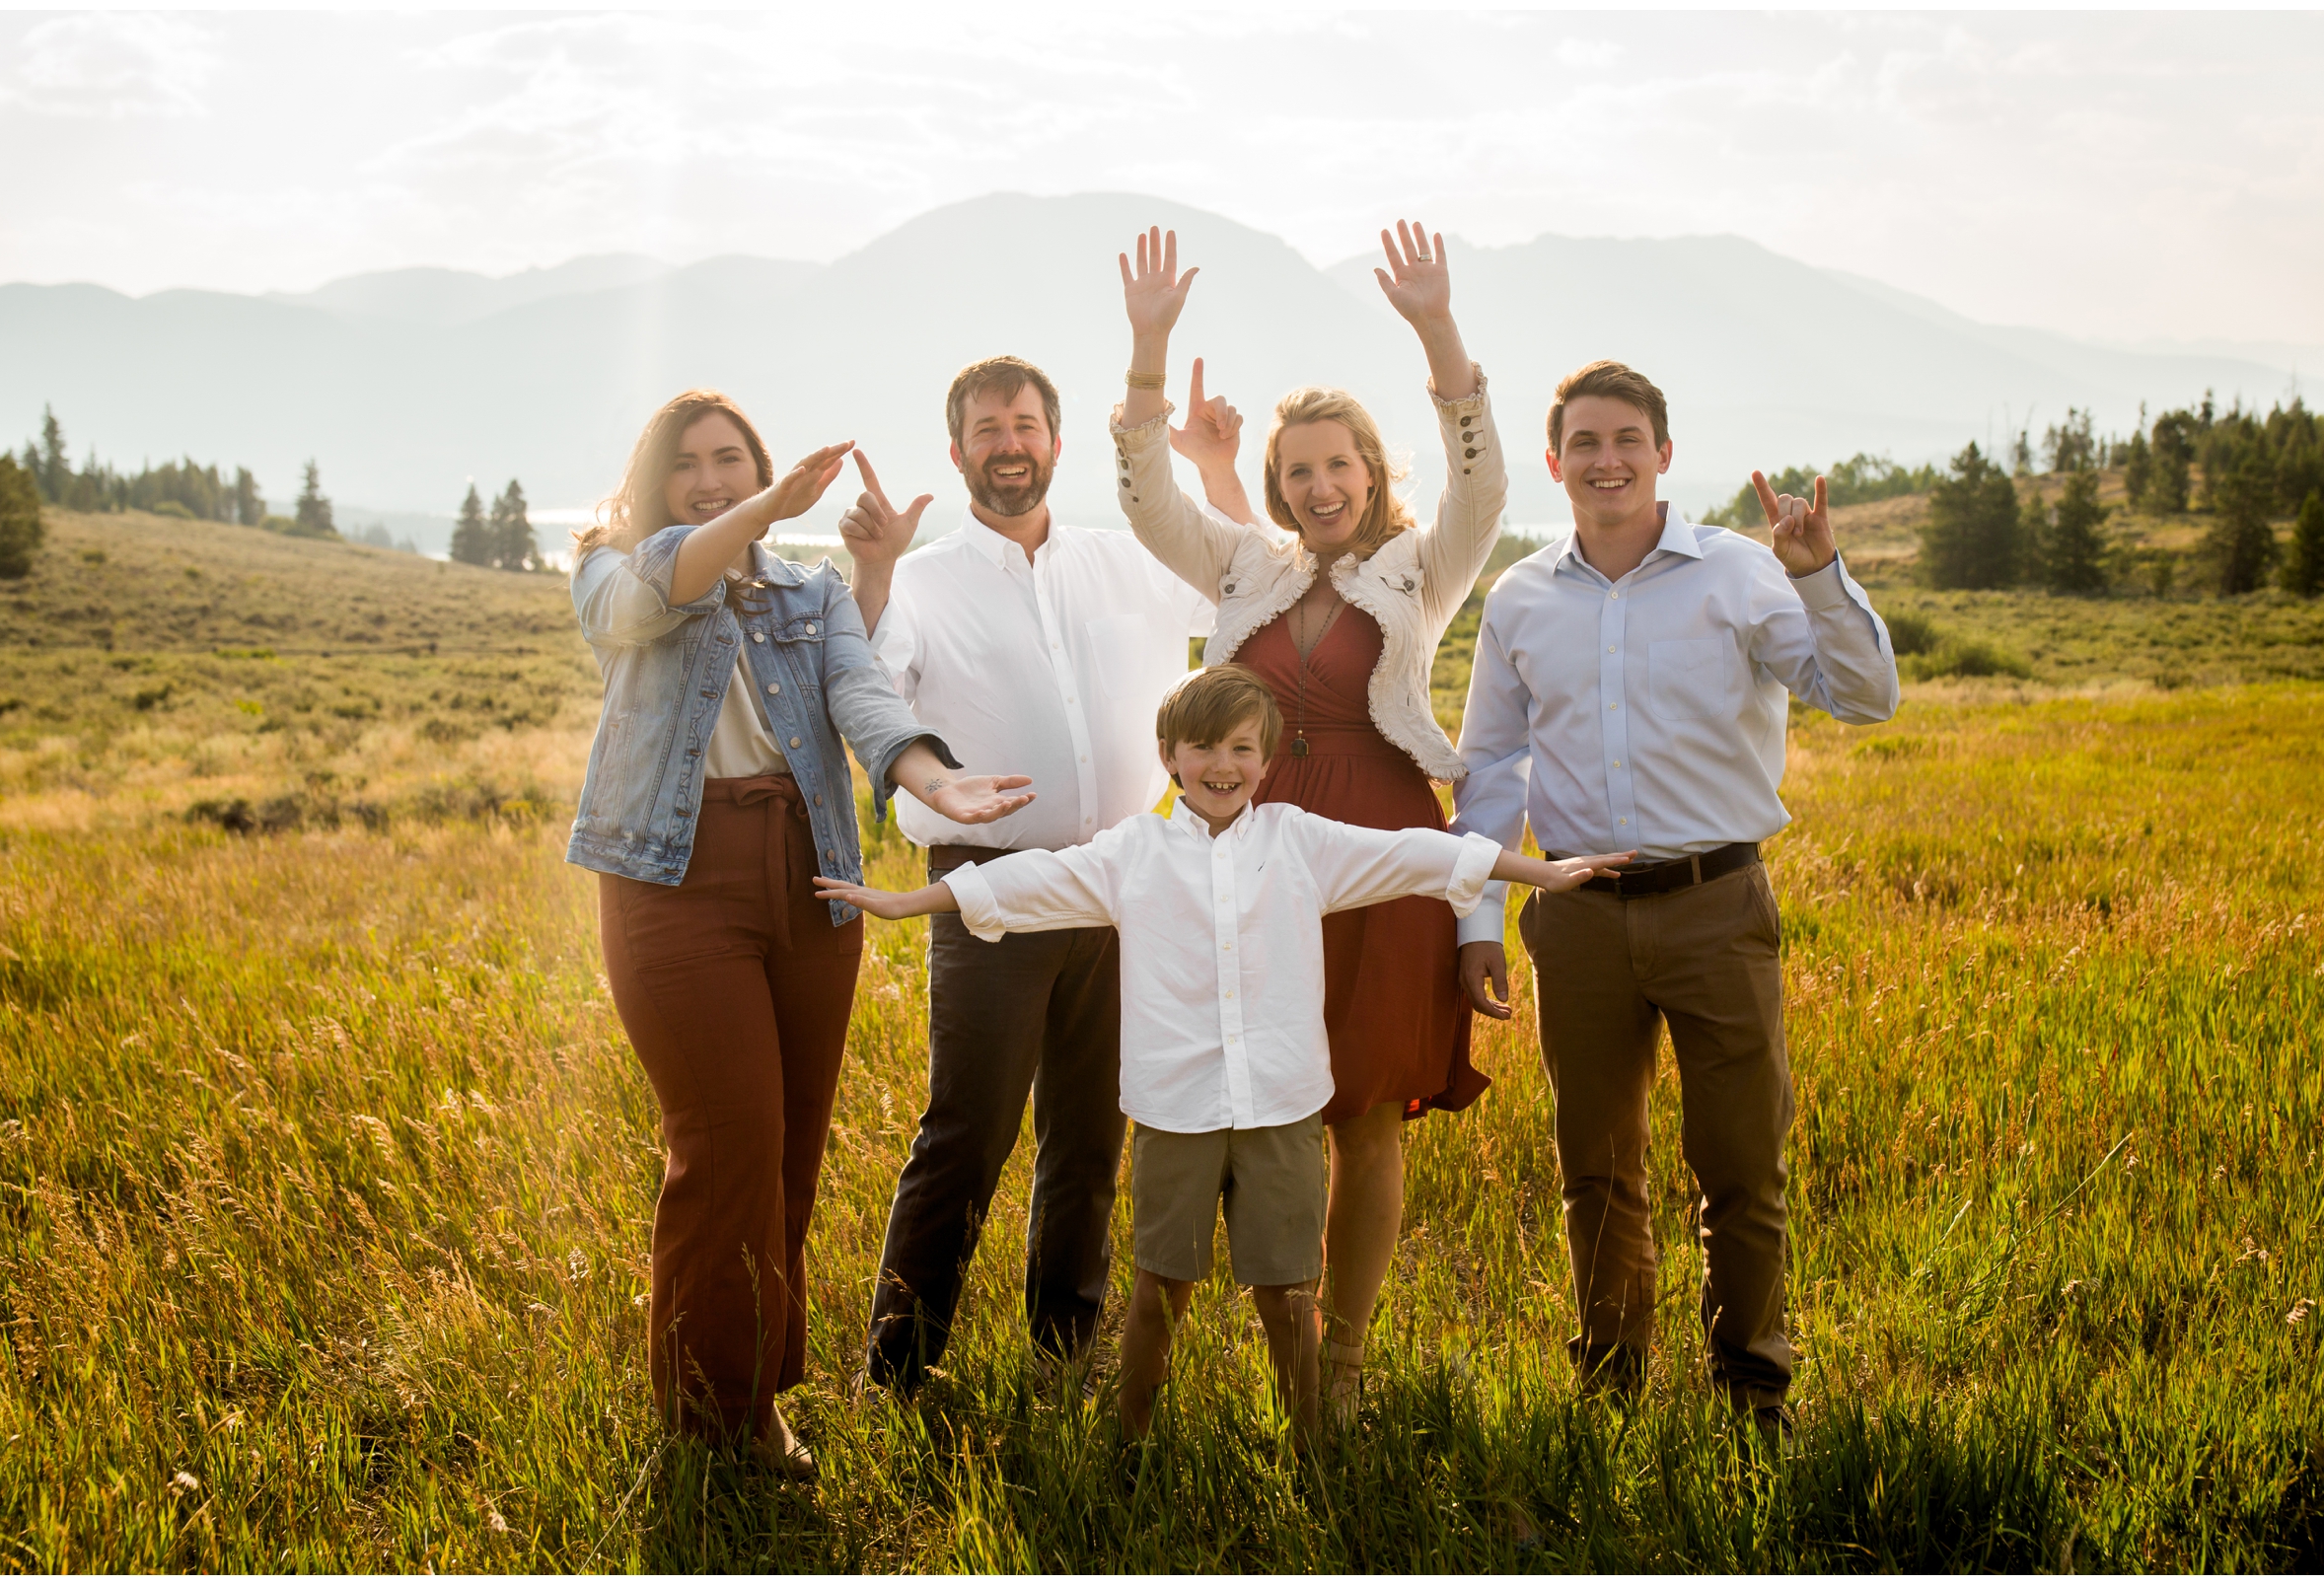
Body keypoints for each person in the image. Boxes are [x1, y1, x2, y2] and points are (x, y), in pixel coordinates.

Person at [813, 666, 1631, 1440]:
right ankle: (1130, 1450)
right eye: (1202, 747)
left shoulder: (1302, 841)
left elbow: (1418, 855)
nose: (1223, 764)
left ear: (1267, 763)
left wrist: (1540, 875)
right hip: (1178, 1112)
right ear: (1168, 757)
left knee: (1286, 1293)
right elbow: (1027, 884)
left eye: (1242, 748)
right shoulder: (1132, 853)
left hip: (1282, 1106)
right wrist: (904, 901)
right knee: (1158, 1291)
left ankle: (1311, 1448)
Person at [565, 389, 1034, 1474]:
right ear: (653, 481)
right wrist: (767, 503)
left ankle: (754, 1392)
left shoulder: (806, 593)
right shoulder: (614, 565)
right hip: (672, 880)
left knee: (788, 1150)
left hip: (808, 875)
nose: (711, 476)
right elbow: (656, 591)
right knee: (723, 1142)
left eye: (732, 458)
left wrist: (931, 773)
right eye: (689, 464)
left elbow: (860, 695)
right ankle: (709, 1415)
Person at [1450, 360, 1900, 1436]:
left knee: (1742, 1163)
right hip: (1576, 909)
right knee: (1594, 1168)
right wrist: (1475, 918)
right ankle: (1609, 1383)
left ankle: (1753, 1388)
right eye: (1586, 443)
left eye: (1628, 440)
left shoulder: (1744, 574)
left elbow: (1867, 695)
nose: (1608, 460)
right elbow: (1491, 767)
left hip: (1717, 903)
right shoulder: (1518, 597)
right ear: (1556, 463)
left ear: (1663, 452)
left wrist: (1820, 573)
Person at [1107, 222, 1504, 1417]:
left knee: (1366, 1110)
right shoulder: (1244, 567)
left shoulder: (1424, 568)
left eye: (1341, 467)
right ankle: (1178, 1347)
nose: (1321, 488)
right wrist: (1147, 348)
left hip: (1378, 843)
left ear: (1375, 472)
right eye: (1298, 473)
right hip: (1251, 847)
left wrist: (1437, 329)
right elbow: (1143, 495)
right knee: (1237, 1087)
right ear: (1276, 488)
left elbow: (1483, 479)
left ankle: (1339, 1358)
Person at [837, 356, 1215, 1397]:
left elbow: (1240, 575)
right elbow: (869, 679)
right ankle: (897, 1370)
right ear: (957, 451)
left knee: (1092, 1132)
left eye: (1027, 422)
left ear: (1057, 440)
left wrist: (1215, 469)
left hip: (1119, 882)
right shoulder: (917, 580)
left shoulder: (1125, 558)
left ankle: (1063, 1355)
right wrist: (872, 571)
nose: (1010, 441)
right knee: (969, 1127)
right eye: (987, 428)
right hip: (992, 887)